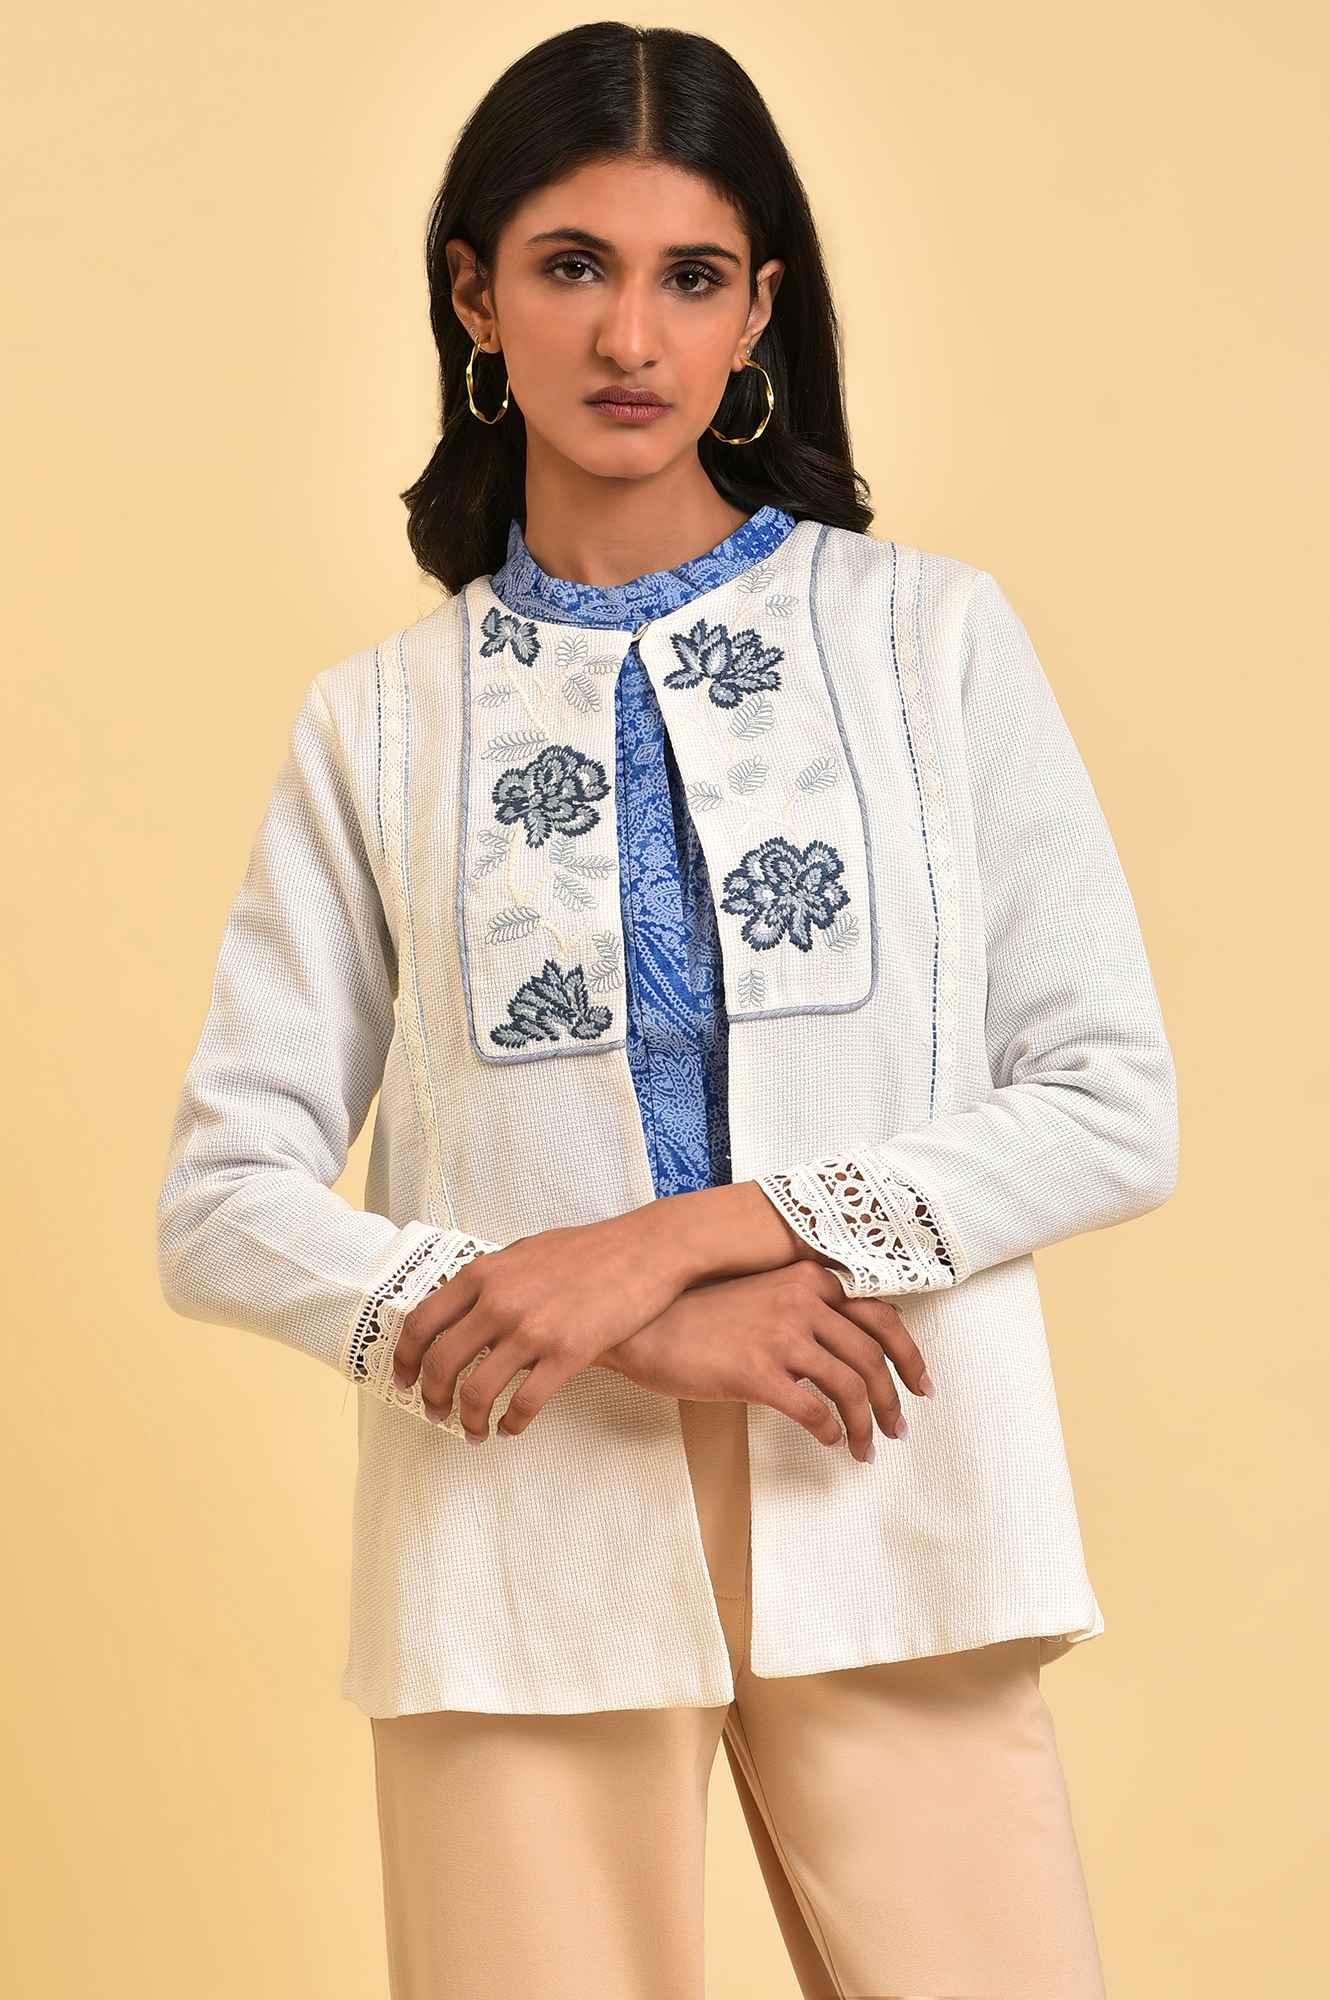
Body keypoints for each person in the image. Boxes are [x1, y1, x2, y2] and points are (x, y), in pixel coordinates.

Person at [155, 22, 1178, 1999]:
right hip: (514, 1525)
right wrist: (624, 1324)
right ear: (474, 295)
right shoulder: (381, 726)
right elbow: (221, 1202)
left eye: (689, 275)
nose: (631, 335)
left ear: (756, 309)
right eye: (572, 266)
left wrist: (665, 1245)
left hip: (892, 1482)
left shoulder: (924, 643)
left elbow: (1105, 1101)